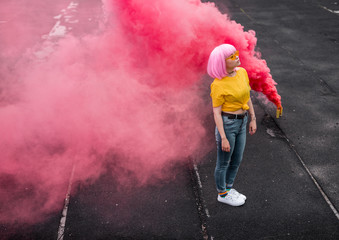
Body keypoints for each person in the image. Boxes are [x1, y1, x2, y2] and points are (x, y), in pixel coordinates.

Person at [207, 44, 257, 206]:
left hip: (242, 122)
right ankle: (222, 194)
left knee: (237, 159)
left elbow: (247, 96)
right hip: (228, 125)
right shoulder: (218, 85)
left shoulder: (241, 72)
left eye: (235, 54)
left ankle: (228, 189)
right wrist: (223, 138)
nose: (237, 57)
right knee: (223, 163)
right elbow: (216, 113)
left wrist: (253, 118)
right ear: (222, 63)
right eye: (231, 56)